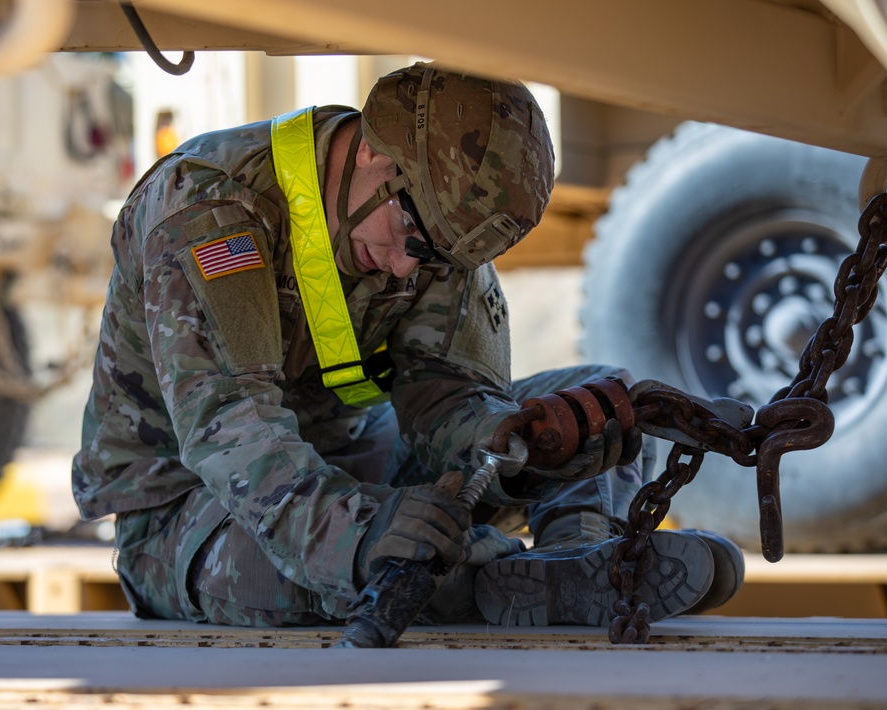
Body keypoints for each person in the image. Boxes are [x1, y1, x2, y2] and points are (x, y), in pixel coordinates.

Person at [73, 61, 743, 628]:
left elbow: (447, 397)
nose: (404, 269)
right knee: (348, 574)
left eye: (434, 258)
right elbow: (234, 436)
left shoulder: (434, 220)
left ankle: (581, 563)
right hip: (190, 516)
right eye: (411, 239)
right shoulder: (210, 210)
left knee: (598, 389)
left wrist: (523, 447)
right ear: (371, 152)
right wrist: (363, 538)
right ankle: (498, 579)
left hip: (360, 469)